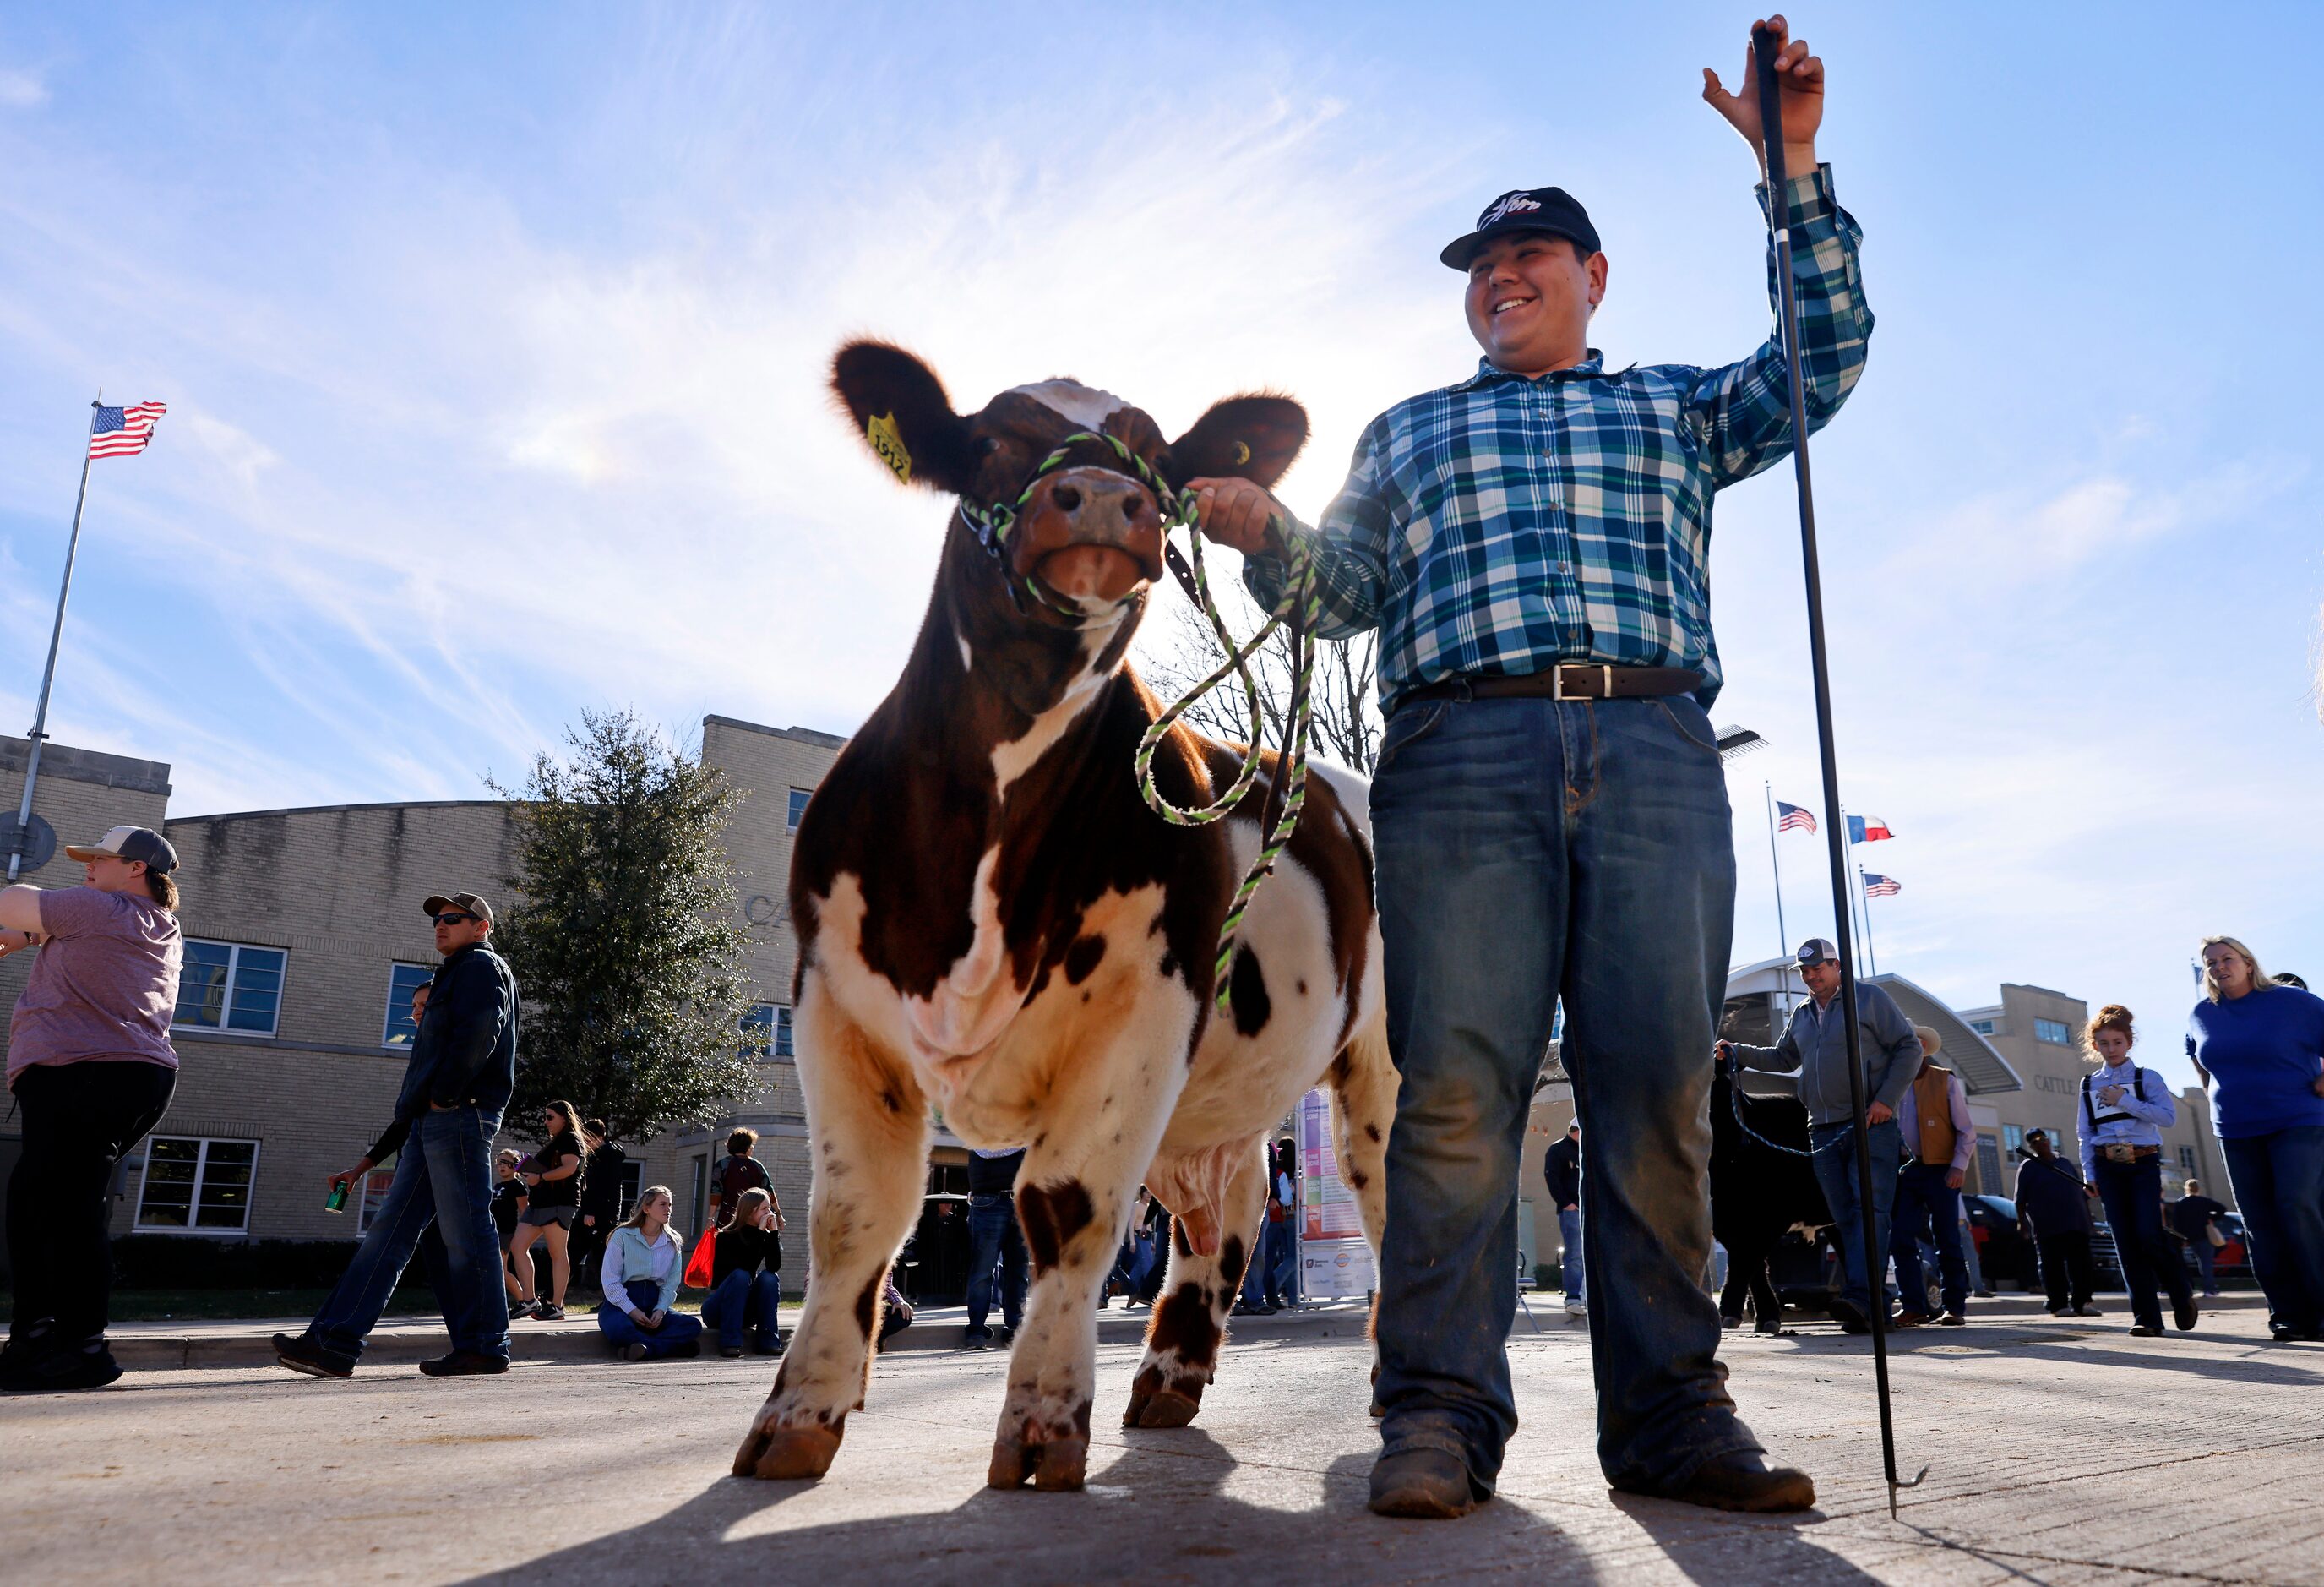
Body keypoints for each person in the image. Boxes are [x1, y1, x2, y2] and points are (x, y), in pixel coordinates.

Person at [1192, 15, 1860, 1517]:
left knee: (1652, 1091)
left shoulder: (1673, 405)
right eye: (1483, 267)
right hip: (1459, 753)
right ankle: (1434, 1415)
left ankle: (1677, 1420)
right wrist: (1262, 537)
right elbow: (1338, 592)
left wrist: (1792, 171)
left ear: (1592, 278)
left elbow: (1820, 365)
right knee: (1454, 1095)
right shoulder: (1410, 430)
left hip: (1654, 743)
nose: (1502, 277)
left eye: (1534, 256)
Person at [275, 890, 518, 1378]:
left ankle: (486, 1345)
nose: (441, 926)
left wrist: (446, 1095)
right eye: (437, 920)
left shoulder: (480, 966)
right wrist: (413, 1116)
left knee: (467, 1233)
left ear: (482, 927)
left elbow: (479, 1033)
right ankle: (334, 1343)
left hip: (459, 1117)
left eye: (454, 918)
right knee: (390, 1232)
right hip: (431, 1124)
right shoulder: (453, 972)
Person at [0, 826, 184, 1392]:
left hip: (85, 1071)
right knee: (35, 1203)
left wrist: (32, 926)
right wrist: (36, 935)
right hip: (126, 1074)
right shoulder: (157, 924)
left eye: (100, 858)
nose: (88, 866)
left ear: (135, 868)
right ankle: (36, 1337)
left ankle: (83, 1349)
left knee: (66, 1209)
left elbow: (9, 901)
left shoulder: (99, 909)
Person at [1722, 940, 1919, 1338]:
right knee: (1844, 1218)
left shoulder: (1869, 1000)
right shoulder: (1803, 1013)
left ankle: (1863, 1299)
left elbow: (1909, 1047)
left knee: (1869, 1213)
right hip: (1822, 1129)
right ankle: (1873, 1307)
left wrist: (1885, 1100)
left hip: (1870, 1126)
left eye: (1819, 969)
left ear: (1837, 965)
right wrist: (1735, 1051)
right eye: (1806, 972)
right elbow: (1783, 1059)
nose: (1812, 977)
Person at [2186, 936, 2324, 1341]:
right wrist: (2215, 1094)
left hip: (2298, 1119)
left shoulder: (2292, 1002)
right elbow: (2198, 1056)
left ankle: (2321, 1309)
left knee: (2297, 1204)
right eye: (2211, 963)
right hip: (2236, 1128)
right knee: (2259, 1223)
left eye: (2227, 959)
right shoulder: (2201, 1013)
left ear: (2248, 963)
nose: (2219, 967)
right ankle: (2286, 1315)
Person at [2076, 1005, 2198, 1339]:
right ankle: (2146, 1317)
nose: (2111, 1049)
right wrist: (2090, 1173)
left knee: (2147, 1232)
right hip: (2106, 1165)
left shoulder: (2148, 1078)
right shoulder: (2089, 1084)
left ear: (2129, 1042)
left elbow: (2167, 1118)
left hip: (2143, 1162)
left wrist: (2124, 1101)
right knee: (2125, 1242)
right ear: (2095, 1045)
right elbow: (2085, 1134)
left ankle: (2179, 1288)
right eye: (2103, 1043)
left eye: (2117, 1042)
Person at [1890, 1028, 1976, 1327]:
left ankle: (1954, 1307)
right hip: (1904, 1171)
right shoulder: (1892, 1081)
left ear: (1923, 1047)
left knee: (1947, 1239)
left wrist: (1958, 1166)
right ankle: (1913, 1306)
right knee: (1900, 1238)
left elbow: (1966, 1130)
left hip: (1940, 1170)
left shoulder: (1945, 1079)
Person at [596, 1185, 703, 1361]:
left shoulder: (673, 1241)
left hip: (654, 1302)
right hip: (622, 1302)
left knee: (692, 1326)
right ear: (646, 1208)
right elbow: (610, 1281)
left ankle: (643, 1349)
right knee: (620, 1329)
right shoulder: (622, 1236)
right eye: (662, 1204)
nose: (668, 1209)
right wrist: (632, 1311)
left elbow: (671, 1284)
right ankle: (673, 1349)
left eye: (670, 1205)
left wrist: (661, 1310)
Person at [510, 1100, 588, 1321]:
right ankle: (529, 1300)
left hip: (558, 1203)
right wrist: (531, 1171)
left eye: (550, 1117)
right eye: (545, 1117)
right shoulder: (556, 1141)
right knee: (518, 1245)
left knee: (557, 1253)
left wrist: (541, 1177)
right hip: (539, 1203)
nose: (546, 1121)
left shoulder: (570, 1139)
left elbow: (570, 1168)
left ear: (565, 1117)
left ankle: (557, 1306)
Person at [2012, 1130, 2100, 1317]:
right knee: (2053, 1267)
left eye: (2044, 1139)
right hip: (2048, 1227)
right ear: (2031, 1147)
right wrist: (2023, 1224)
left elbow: (2082, 1194)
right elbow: (2020, 1200)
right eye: (2036, 1141)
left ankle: (2082, 1303)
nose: (2042, 1143)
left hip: (2077, 1223)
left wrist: (2089, 1220)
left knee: (2082, 1266)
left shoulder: (2065, 1163)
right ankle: (2058, 1305)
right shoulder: (2028, 1167)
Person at [702, 1186, 784, 1357]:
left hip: (745, 1311)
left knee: (769, 1278)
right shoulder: (726, 1236)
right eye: (764, 1208)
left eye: (769, 1208)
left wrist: (773, 1233)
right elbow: (745, 1267)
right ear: (749, 1212)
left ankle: (768, 1342)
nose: (769, 1212)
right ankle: (730, 1342)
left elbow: (773, 1266)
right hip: (718, 1309)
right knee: (741, 1275)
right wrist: (760, 1233)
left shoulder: (764, 1235)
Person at [961, 1144, 1027, 1349]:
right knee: (987, 1270)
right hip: (991, 1201)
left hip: (1016, 1201)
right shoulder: (986, 1124)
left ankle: (1007, 1330)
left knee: (1014, 1271)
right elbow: (991, 1148)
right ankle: (980, 1329)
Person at [572, 1118, 626, 1286]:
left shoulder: (609, 1158)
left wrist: (591, 1211)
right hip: (591, 1214)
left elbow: (605, 1188)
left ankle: (612, 1298)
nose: (585, 1144)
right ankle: (552, 1295)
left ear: (599, 1138)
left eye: (588, 1140)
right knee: (572, 1254)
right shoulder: (594, 1157)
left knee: (602, 1259)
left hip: (599, 1217)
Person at [1543, 1122, 1586, 1319]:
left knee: (1590, 1255)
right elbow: (1552, 1178)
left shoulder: (1586, 1149)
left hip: (1587, 1209)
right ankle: (1573, 1297)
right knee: (1575, 1253)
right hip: (1572, 1210)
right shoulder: (1558, 1149)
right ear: (1575, 1131)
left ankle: (1586, 1296)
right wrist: (1566, 1203)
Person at [707, 1128, 776, 1232]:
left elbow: (716, 1193)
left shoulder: (722, 1165)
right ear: (747, 1147)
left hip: (727, 1220)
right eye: (751, 1144)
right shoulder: (757, 1166)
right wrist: (778, 1214)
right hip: (755, 1221)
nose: (752, 1147)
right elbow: (769, 1191)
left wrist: (710, 1218)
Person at [2169, 1179, 2229, 1299]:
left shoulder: (2180, 1203)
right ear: (2198, 1189)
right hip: (2205, 1235)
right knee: (2206, 1263)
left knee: (2192, 1263)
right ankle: (2209, 1289)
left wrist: (2182, 1238)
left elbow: (2177, 1223)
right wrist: (2212, 1217)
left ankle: (2191, 1288)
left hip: (2190, 1238)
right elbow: (2222, 1208)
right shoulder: (2204, 1201)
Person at [491, 1149, 531, 1310]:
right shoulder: (498, 1185)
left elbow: (525, 1212)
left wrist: (522, 1235)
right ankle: (524, 1302)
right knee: (497, 1270)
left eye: (507, 1163)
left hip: (507, 1232)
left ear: (515, 1166)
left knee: (501, 1270)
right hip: (493, 1231)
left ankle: (525, 1301)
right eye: (500, 1163)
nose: (502, 1167)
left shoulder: (517, 1186)